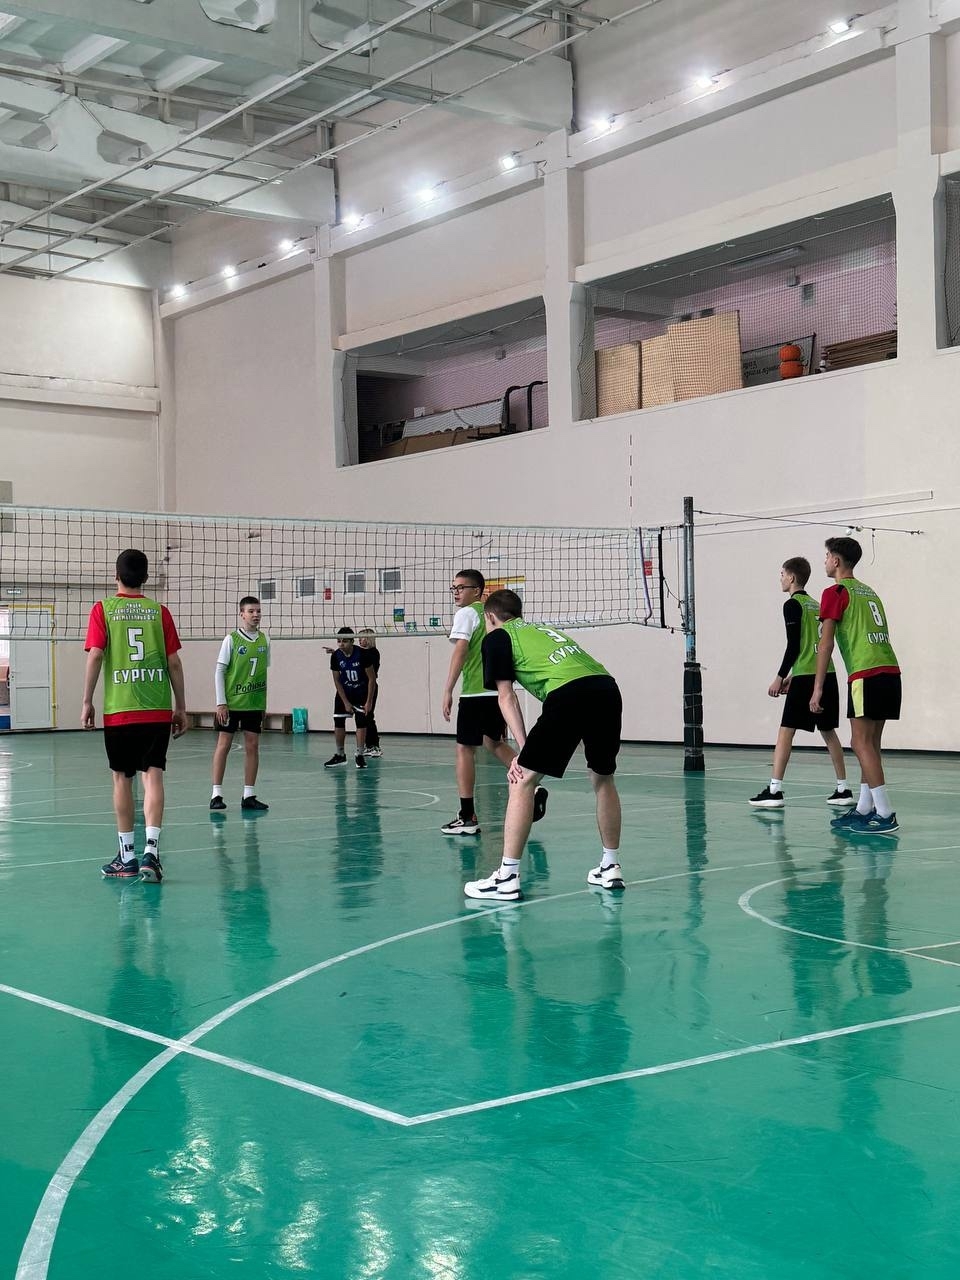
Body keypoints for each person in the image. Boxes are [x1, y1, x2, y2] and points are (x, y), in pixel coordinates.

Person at [463, 589, 624, 901]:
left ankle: (506, 878)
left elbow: (506, 696)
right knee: (603, 777)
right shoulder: (543, 630)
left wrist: (523, 752)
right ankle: (610, 866)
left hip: (570, 694)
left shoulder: (497, 637)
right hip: (606, 688)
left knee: (522, 780)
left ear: (490, 617)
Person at [81, 548, 187, 883]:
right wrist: (181, 706)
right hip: (156, 708)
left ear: (116, 575)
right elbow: (173, 663)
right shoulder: (159, 611)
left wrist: (86, 700)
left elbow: (96, 656)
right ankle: (151, 854)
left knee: (121, 778)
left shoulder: (103, 609)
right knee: (153, 776)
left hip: (120, 709)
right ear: (146, 578)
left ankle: (126, 857)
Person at [441, 569, 546, 835]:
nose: (455, 592)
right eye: (453, 588)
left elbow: (461, 650)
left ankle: (467, 816)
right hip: (497, 691)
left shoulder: (467, 613)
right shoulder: (494, 616)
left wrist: (448, 689)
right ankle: (532, 785)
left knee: (464, 749)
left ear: (477, 591)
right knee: (493, 742)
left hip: (474, 693)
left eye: (461, 587)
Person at [811, 537, 902, 835]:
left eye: (827, 556)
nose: (825, 561)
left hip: (866, 673)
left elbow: (825, 644)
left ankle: (885, 813)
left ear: (836, 561)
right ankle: (864, 808)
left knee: (860, 743)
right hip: (890, 671)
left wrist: (818, 687)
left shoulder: (835, 592)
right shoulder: (869, 592)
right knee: (871, 744)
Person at [749, 557, 853, 809]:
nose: (781, 578)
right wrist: (793, 677)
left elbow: (794, 645)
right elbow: (814, 645)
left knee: (786, 731)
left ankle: (774, 791)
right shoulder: (817, 605)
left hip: (807, 676)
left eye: (782, 574)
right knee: (829, 732)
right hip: (826, 674)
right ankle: (843, 789)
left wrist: (779, 677)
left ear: (792, 577)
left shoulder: (792, 605)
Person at [210, 596, 270, 812]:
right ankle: (216, 794)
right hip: (232, 703)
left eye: (258, 611)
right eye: (251, 611)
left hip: (253, 702)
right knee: (224, 745)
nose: (256, 615)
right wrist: (221, 703)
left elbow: (263, 672)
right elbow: (219, 671)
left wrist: (263, 704)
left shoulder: (265, 640)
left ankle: (249, 795)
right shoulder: (231, 639)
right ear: (242, 614)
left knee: (253, 746)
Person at [325, 626, 376, 768]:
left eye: (345, 641)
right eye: (339, 641)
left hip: (361, 692)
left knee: (361, 722)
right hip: (344, 691)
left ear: (352, 641)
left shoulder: (363, 655)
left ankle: (360, 755)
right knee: (338, 721)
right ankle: (340, 755)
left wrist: (369, 701)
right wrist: (345, 702)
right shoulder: (336, 656)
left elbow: (372, 679)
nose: (341, 644)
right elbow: (336, 680)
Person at [358, 628, 382, 756]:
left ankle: (375, 746)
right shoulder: (361, 653)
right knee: (363, 716)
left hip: (370, 687)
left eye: (362, 637)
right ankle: (369, 745)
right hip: (361, 687)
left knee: (368, 715)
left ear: (368, 639)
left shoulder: (373, 653)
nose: (359, 640)